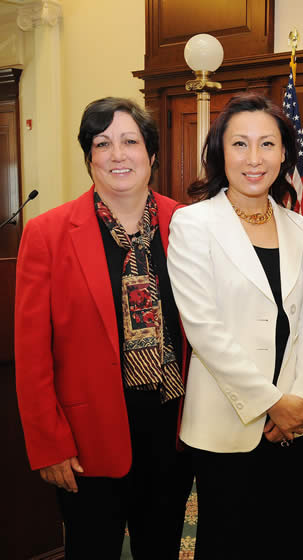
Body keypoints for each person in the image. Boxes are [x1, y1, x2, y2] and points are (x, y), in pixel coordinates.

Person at [14, 98, 193, 559]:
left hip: (172, 431)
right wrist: (48, 445)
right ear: (88, 157)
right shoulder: (48, 233)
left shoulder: (189, 225)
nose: (118, 155)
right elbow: (32, 352)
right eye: (103, 143)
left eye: (131, 141)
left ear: (152, 155)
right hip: (86, 439)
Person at [166, 92, 303, 559]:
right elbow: (204, 330)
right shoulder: (193, 224)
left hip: (292, 424)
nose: (254, 159)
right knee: (230, 543)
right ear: (219, 152)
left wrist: (298, 400)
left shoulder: (298, 226)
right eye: (240, 144)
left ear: (284, 153)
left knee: (289, 541)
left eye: (267, 144)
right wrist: (271, 403)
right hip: (227, 422)